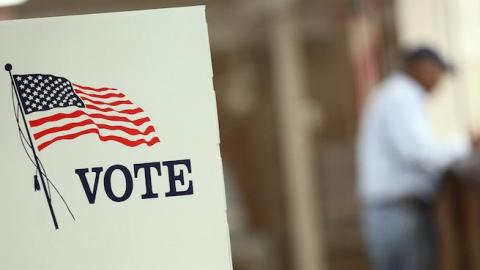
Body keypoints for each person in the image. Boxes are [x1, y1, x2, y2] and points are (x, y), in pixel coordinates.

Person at [357, 47, 477, 270]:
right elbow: (421, 153)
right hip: (400, 214)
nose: (439, 82)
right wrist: (467, 143)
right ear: (420, 68)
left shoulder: (392, 94)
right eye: (437, 73)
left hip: (391, 212)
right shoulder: (401, 96)